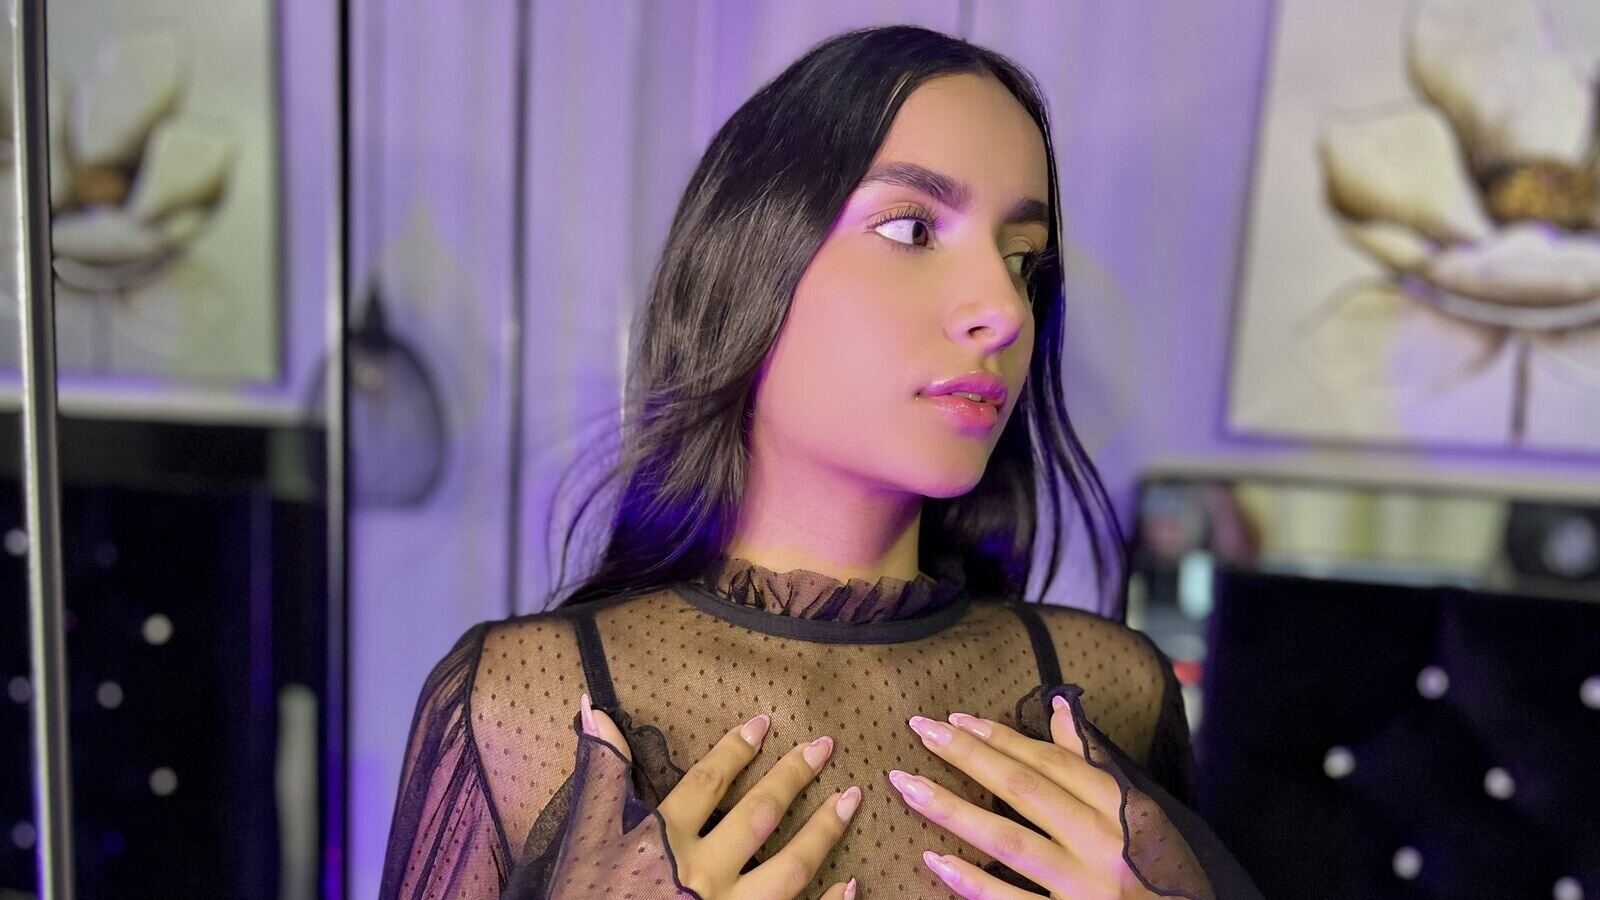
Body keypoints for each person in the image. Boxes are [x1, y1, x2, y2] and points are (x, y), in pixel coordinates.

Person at [380, 24, 1261, 899]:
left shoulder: (1111, 695)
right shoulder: (522, 707)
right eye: (913, 228)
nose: (1002, 309)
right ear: (749, 265)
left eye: (1021, 260)